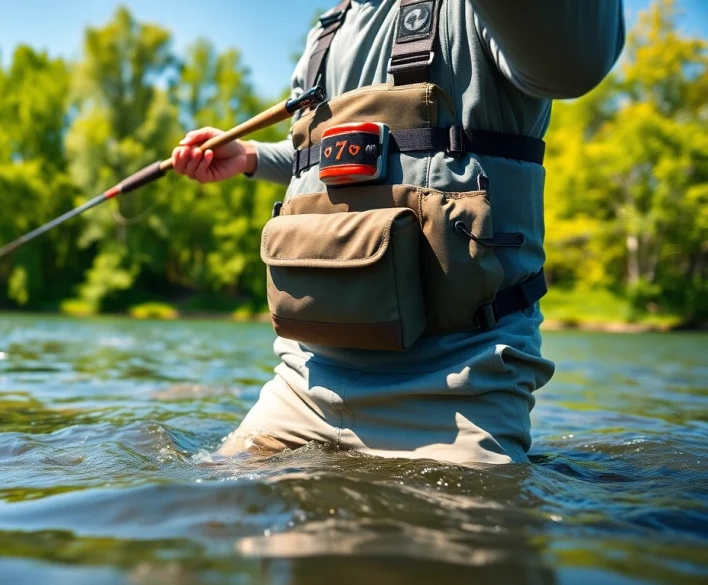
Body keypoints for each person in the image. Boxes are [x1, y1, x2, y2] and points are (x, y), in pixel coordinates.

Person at [171, 0, 625, 464]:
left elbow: (574, 65)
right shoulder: (325, 33)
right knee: (214, 504)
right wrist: (250, 157)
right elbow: (338, 159)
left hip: (457, 390)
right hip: (302, 382)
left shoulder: (466, 14)